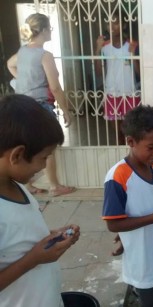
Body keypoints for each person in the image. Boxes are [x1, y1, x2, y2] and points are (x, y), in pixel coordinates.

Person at [0, 94, 80, 306]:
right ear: (17, 155)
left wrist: (52, 236)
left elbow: (18, 236)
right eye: (43, 158)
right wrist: (34, 258)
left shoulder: (17, 186)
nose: (44, 166)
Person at [102, 105, 153, 307]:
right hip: (144, 263)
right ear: (131, 142)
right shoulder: (117, 176)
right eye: (151, 147)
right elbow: (113, 224)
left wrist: (127, 236)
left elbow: (144, 205)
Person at [7, 13, 75, 197]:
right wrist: (66, 110)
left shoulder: (23, 51)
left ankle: (28, 185)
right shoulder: (44, 55)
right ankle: (54, 186)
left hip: (22, 105)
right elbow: (55, 87)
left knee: (28, 145)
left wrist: (24, 81)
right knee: (48, 146)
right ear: (43, 30)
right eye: (50, 28)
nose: (51, 32)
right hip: (40, 107)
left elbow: (10, 64)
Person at [94, 11, 141, 145]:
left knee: (131, 133)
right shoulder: (104, 47)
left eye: (116, 22)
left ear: (124, 24)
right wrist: (97, 49)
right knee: (118, 135)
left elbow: (139, 73)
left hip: (130, 92)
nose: (112, 26)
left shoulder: (132, 44)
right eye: (109, 23)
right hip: (112, 93)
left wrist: (133, 55)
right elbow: (98, 72)